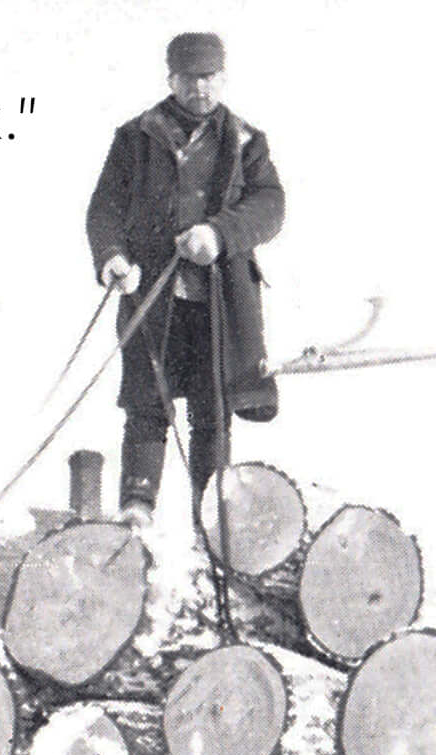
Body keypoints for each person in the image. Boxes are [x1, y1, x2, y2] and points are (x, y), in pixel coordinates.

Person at [85, 31, 285, 529]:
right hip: (149, 293)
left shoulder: (246, 141)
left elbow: (270, 206)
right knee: (145, 401)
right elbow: (105, 208)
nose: (201, 87)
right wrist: (112, 259)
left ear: (224, 77)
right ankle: (137, 506)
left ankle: (210, 515)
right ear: (171, 78)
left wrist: (219, 234)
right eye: (191, 77)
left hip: (221, 299)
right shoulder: (136, 137)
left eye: (210, 76)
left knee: (211, 407)